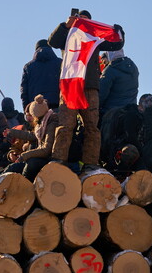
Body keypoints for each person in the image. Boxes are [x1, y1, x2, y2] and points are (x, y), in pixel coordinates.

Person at [48, 9, 125, 171]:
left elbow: (115, 44)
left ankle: (90, 164)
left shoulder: (95, 37)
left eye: (87, 20)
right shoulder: (68, 34)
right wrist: (65, 25)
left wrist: (119, 31)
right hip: (70, 85)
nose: (83, 22)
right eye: (80, 19)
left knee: (92, 127)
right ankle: (58, 161)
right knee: (66, 125)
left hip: (90, 87)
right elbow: (52, 42)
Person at [2, 94, 58, 182]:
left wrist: (24, 155)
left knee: (30, 163)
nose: (29, 119)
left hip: (48, 160)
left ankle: (23, 186)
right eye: (27, 116)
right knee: (12, 167)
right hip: (36, 157)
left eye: (31, 116)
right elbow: (30, 136)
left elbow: (46, 149)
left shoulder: (50, 124)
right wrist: (11, 132)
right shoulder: (41, 125)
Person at [20, 39, 62, 110]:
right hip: (58, 106)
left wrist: (26, 109)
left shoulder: (28, 67)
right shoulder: (60, 63)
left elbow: (24, 91)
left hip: (37, 109)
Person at [99, 49, 139, 118]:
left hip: (111, 114)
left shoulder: (110, 70)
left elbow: (101, 94)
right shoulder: (133, 67)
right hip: (130, 112)